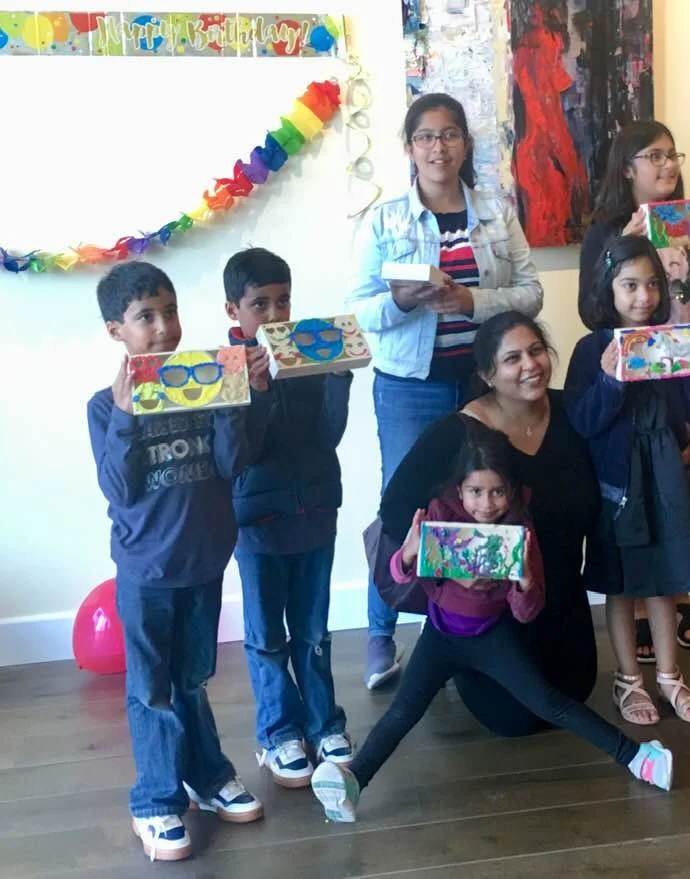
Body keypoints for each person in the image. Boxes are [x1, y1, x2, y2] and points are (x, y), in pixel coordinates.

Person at [311, 423, 673, 822]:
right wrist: (410, 553)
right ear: (460, 488)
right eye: (476, 491)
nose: (486, 504)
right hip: (441, 635)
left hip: (492, 637)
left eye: (497, 492)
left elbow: (526, 610)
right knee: (402, 713)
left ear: (511, 490)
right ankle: (353, 782)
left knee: (550, 702)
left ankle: (638, 757)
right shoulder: (438, 513)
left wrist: (524, 584)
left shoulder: (520, 529)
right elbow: (400, 576)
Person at [348, 92, 543, 690]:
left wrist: (471, 301)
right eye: (427, 136)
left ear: (465, 143)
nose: (439, 147)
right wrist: (401, 301)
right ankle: (381, 632)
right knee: (402, 502)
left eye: (451, 134)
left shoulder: (496, 213)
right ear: (409, 147)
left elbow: (532, 292)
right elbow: (360, 311)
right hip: (410, 385)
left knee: (489, 499)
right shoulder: (384, 220)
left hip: (483, 384)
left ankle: (476, 623)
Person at [87, 262, 267, 863]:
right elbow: (119, 489)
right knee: (151, 691)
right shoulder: (104, 407)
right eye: (146, 317)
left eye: (170, 312)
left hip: (204, 561)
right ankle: (155, 800)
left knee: (192, 679)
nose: (164, 328)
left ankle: (206, 775)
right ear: (117, 331)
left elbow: (233, 463)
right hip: (147, 572)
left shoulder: (204, 387)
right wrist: (126, 416)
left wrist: (232, 399)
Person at [377, 311, 600, 736]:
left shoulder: (571, 410)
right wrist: (454, 564)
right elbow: (396, 508)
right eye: (513, 358)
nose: (530, 365)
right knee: (511, 719)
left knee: (575, 691)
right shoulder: (459, 430)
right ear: (487, 374)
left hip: (564, 598)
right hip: (493, 611)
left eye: (536, 351)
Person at [578, 120, 690, 661]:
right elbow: (591, 311)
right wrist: (627, 244)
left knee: (677, 487)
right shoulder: (607, 229)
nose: (668, 165)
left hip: (683, 373)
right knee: (637, 490)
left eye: (672, 154)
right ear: (627, 168)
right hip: (631, 376)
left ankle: (677, 595)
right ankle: (643, 608)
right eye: (654, 156)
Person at [566, 235, 690, 726]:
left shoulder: (671, 339)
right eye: (630, 285)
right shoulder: (591, 349)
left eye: (653, 285)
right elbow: (582, 421)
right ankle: (628, 678)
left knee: (665, 578)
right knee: (621, 584)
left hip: (667, 479)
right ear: (607, 289)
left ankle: (670, 676)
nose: (643, 296)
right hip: (617, 486)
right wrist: (610, 381)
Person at [223, 247, 354, 786]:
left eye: (283, 302)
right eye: (260, 304)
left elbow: (328, 436)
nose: (275, 315)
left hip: (316, 513)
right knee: (266, 637)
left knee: (313, 630)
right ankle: (278, 732)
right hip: (257, 524)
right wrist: (255, 394)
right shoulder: (223, 370)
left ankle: (325, 724)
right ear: (234, 311)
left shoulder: (306, 354)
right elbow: (239, 456)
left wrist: (338, 377)